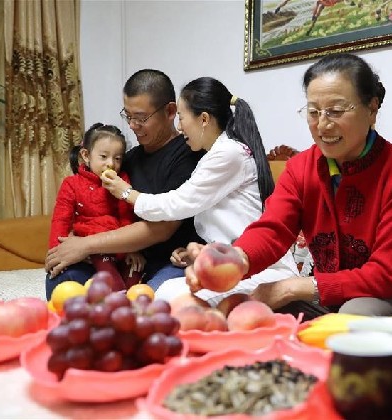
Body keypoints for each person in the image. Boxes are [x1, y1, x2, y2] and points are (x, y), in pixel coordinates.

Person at [185, 53, 392, 320]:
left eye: (336, 111)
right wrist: (234, 261)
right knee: (243, 307)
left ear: (372, 108)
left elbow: (385, 275)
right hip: (327, 289)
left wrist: (294, 287)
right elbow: (273, 230)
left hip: (388, 292)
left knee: (354, 313)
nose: (322, 125)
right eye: (313, 112)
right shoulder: (301, 168)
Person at [102, 77, 298, 305]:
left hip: (263, 268)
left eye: (182, 119)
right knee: (163, 294)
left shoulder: (229, 154)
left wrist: (126, 192)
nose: (179, 126)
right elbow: (232, 226)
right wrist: (201, 253)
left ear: (203, 119)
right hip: (237, 263)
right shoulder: (217, 153)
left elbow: (176, 204)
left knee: (165, 298)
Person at [45, 69, 204, 295]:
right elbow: (94, 202)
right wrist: (73, 241)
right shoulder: (126, 160)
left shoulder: (187, 156)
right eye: (127, 116)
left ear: (170, 111)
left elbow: (163, 228)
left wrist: (87, 244)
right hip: (120, 258)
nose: (132, 125)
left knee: (149, 303)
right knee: (64, 277)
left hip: (170, 261)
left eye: (140, 118)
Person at [47, 123, 144, 296]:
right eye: (104, 157)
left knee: (136, 270)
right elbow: (61, 219)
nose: (111, 164)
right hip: (91, 246)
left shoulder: (122, 181)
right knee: (103, 265)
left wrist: (132, 248)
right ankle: (117, 296)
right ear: (86, 155)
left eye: (118, 158)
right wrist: (57, 253)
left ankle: (132, 299)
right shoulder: (72, 184)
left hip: (118, 244)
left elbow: (126, 216)